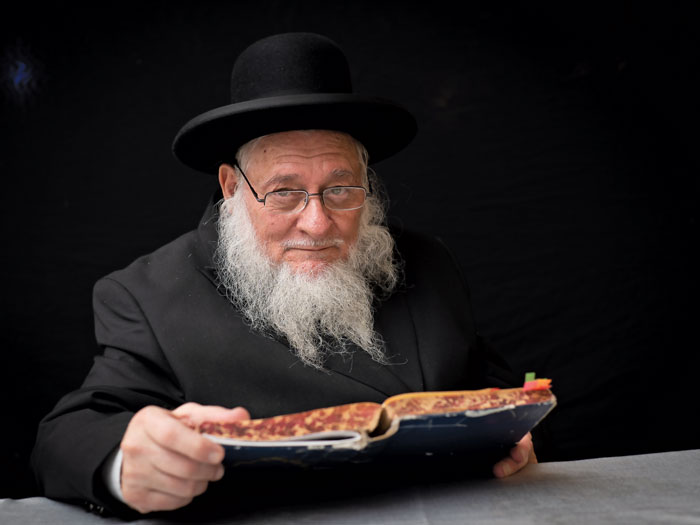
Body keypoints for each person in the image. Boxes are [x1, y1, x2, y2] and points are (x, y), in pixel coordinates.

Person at [31, 32, 536, 518]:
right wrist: (127, 460)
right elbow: (66, 437)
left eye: (340, 189)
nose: (317, 223)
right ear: (232, 186)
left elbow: (503, 392)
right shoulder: (147, 296)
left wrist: (520, 436)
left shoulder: (427, 261)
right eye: (284, 192)